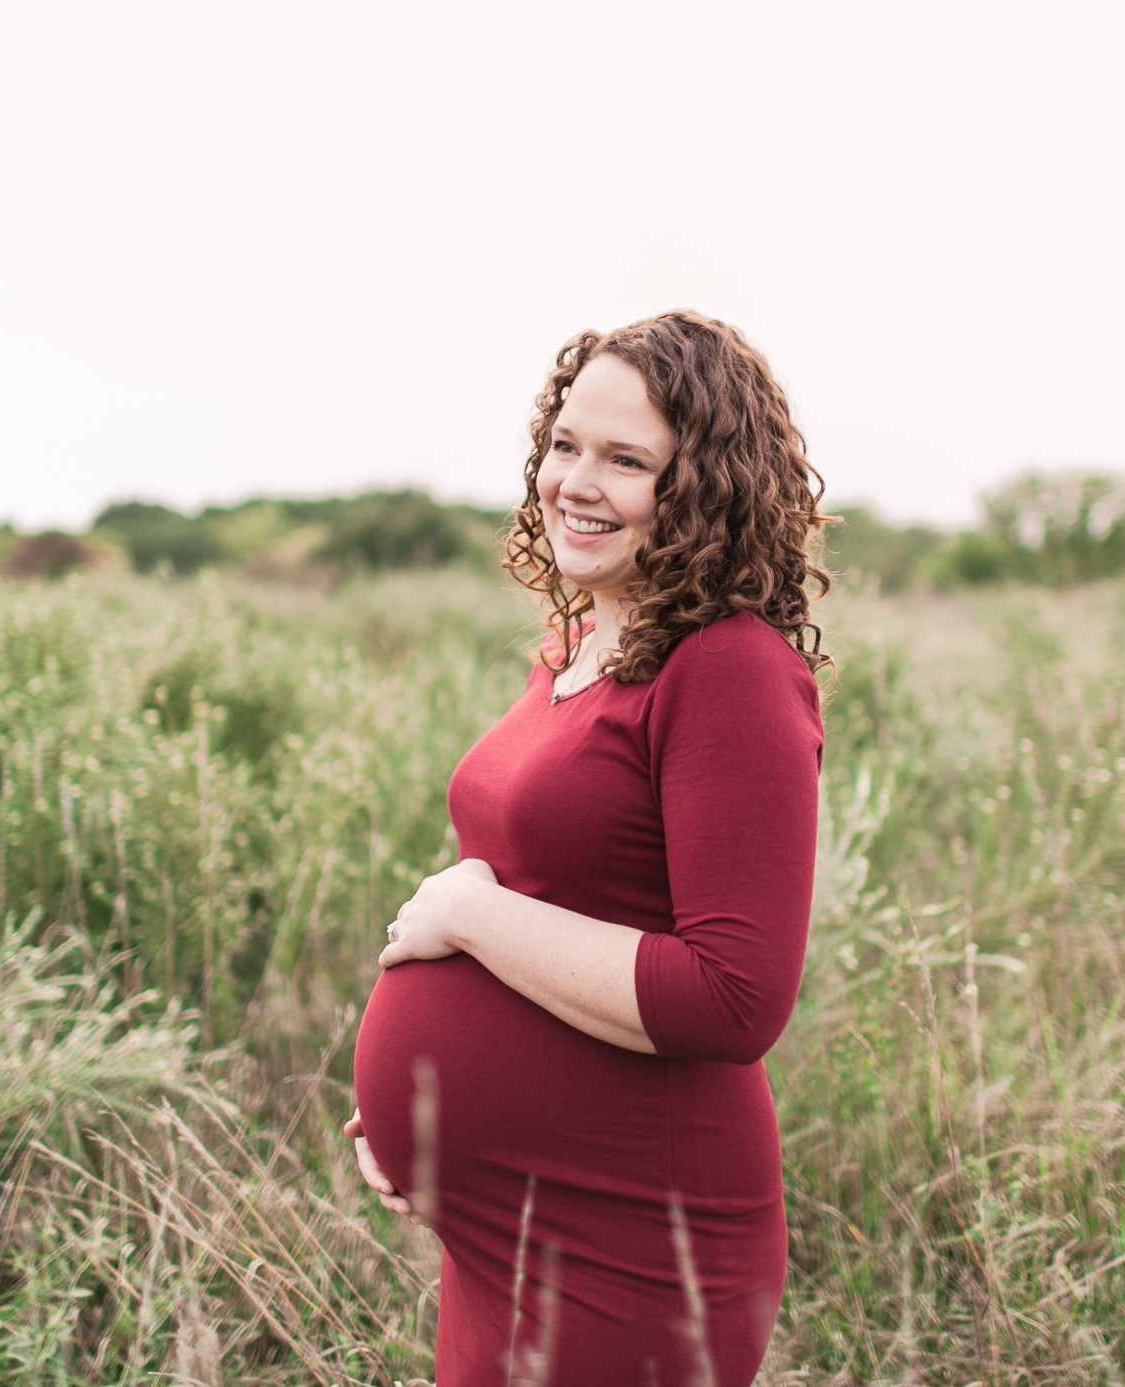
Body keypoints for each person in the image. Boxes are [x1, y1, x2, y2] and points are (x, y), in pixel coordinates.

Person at [345, 310, 831, 1386]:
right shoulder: (579, 641)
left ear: (704, 486)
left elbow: (733, 996)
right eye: (565, 444)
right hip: (507, 1230)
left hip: (635, 1239)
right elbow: (560, 892)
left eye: (626, 460)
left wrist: (468, 912)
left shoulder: (727, 667)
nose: (575, 480)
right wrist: (417, 1122)